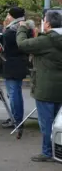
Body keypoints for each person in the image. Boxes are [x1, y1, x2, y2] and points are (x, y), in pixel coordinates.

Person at [16, 10, 62, 162]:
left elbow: (22, 44)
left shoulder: (47, 40)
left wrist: (22, 28)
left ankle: (47, 152)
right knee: (58, 123)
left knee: (46, 123)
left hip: (45, 88)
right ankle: (57, 151)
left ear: (47, 24)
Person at [0, 7, 30, 129]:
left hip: (13, 64)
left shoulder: (13, 29)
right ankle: (15, 117)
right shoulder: (23, 26)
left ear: (12, 16)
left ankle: (17, 120)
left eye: (8, 15)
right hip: (18, 63)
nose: (7, 17)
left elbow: (10, 46)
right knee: (14, 92)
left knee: (13, 93)